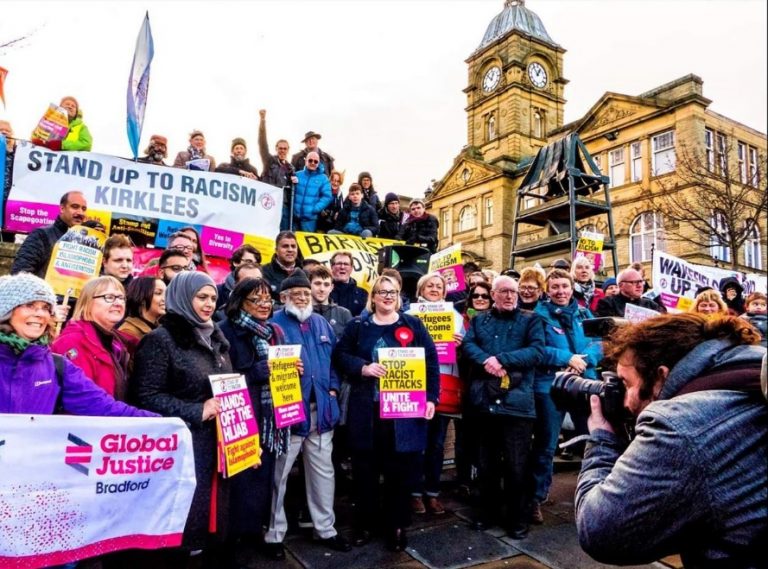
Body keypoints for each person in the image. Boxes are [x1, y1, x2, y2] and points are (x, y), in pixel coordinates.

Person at [576, 313, 766, 568]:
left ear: (661, 377)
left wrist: (603, 440)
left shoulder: (680, 427)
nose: (624, 401)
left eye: (625, 383)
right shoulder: (750, 371)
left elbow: (599, 531)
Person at [133, 271, 236, 567]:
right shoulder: (160, 340)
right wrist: (197, 410)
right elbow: (145, 396)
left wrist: (243, 438)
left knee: (210, 530)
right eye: (201, 297)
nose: (208, 304)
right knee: (182, 533)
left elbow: (227, 392)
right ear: (181, 296)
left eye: (213, 298)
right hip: (181, 451)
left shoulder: (217, 338)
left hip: (217, 448)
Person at [333, 275, 440, 552]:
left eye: (392, 292)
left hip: (403, 412)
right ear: (374, 296)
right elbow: (340, 355)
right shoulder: (358, 325)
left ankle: (397, 526)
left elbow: (430, 361)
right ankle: (365, 524)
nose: (387, 297)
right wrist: (362, 368)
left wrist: (431, 398)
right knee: (365, 471)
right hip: (368, 411)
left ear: (399, 295)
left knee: (399, 472)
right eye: (382, 292)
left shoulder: (413, 324)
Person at [263, 270, 351, 559]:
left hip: (321, 411)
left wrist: (334, 391)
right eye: (296, 294)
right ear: (284, 297)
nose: (302, 298)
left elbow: (335, 361)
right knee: (279, 475)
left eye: (305, 293)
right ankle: (274, 533)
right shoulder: (272, 326)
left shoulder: (321, 323)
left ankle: (325, 528)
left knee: (323, 473)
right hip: (288, 415)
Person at [0, 273, 154, 417]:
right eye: (29, 305)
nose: (40, 314)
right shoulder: (72, 342)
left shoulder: (58, 366)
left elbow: (103, 406)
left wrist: (165, 425)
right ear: (6, 310)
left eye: (46, 308)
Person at [462, 275, 545, 539]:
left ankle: (517, 519)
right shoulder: (479, 321)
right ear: (493, 294)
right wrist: (487, 360)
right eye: (504, 291)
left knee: (516, 465)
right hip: (485, 403)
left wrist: (501, 360)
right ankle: (486, 513)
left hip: (517, 405)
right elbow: (467, 345)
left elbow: (536, 351)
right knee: (485, 463)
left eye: (514, 292)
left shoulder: (531, 320)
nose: (510, 296)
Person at [218, 278, 292, 547]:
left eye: (267, 299)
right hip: (240, 419)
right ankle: (231, 540)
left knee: (262, 482)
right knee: (240, 483)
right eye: (256, 299)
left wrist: (290, 372)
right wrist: (253, 374)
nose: (264, 304)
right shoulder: (224, 331)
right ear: (240, 301)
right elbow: (219, 378)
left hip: (269, 419)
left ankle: (252, 533)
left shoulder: (273, 331)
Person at [529, 269, 601, 524]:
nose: (560, 291)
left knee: (594, 440)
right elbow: (536, 349)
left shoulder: (583, 312)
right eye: (555, 287)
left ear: (572, 288)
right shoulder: (539, 315)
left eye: (564, 286)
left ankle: (597, 494)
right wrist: (565, 358)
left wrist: (584, 360)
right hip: (551, 385)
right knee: (546, 444)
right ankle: (536, 498)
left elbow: (598, 341)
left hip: (584, 382)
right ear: (547, 290)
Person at [408, 272, 465, 516]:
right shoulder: (409, 315)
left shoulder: (454, 317)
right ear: (420, 289)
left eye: (439, 286)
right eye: (429, 285)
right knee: (415, 443)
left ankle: (432, 492)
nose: (434, 288)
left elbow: (461, 354)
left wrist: (459, 344)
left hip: (442, 385)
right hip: (415, 384)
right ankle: (413, 493)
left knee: (437, 444)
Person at [51, 277, 131, 401]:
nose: (117, 303)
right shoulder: (72, 342)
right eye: (109, 297)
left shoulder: (117, 342)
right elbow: (82, 399)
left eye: (121, 298)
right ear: (87, 302)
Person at [11, 191, 87, 278]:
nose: (80, 213)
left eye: (84, 209)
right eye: (75, 207)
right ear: (62, 208)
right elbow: (20, 273)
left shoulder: (86, 242)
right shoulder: (41, 235)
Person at [258, 109, 297, 231]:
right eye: (280, 148)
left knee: (283, 234)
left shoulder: (291, 168)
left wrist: (295, 181)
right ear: (276, 148)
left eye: (285, 149)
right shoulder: (269, 161)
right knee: (267, 231)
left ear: (288, 150)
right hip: (268, 203)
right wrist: (262, 121)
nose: (282, 151)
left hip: (284, 206)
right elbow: (262, 143)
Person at [595, 267, 664, 317]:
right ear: (621, 285)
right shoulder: (607, 303)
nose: (639, 285)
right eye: (634, 282)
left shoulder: (651, 304)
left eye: (641, 282)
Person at [118, 276, 166, 346]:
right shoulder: (128, 332)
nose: (164, 298)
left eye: (166, 293)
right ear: (142, 297)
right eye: (158, 293)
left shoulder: (161, 328)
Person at [308, 264, 353, 338]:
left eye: (326, 285)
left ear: (331, 287)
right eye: (317, 284)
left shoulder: (344, 314)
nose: (322, 289)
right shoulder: (302, 313)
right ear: (309, 285)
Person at [293, 151, 332, 232]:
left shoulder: (323, 178)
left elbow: (327, 196)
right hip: (294, 219)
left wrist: (315, 209)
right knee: (292, 243)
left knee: (305, 244)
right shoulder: (297, 175)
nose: (313, 163)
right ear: (305, 161)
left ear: (318, 163)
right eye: (310, 160)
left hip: (309, 221)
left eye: (315, 161)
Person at [216, 244, 262, 311]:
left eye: (256, 263)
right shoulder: (217, 291)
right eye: (248, 261)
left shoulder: (263, 293)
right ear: (236, 262)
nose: (252, 266)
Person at [261, 231, 301, 301]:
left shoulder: (305, 272)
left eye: (293, 246)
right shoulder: (263, 272)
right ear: (276, 250)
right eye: (285, 246)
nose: (290, 250)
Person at [328, 251, 367, 317]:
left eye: (346, 264)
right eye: (339, 263)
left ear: (351, 268)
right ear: (332, 267)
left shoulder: (363, 294)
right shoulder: (324, 291)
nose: (342, 267)